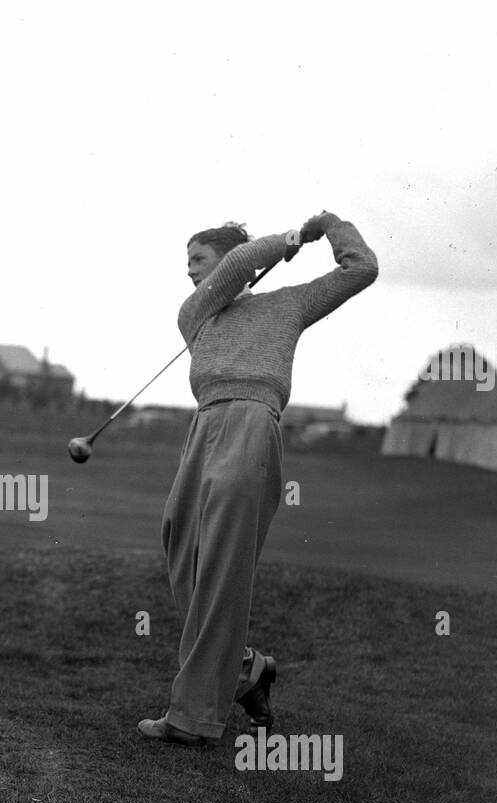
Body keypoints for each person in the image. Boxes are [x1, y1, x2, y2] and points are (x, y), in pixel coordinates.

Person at [138, 211, 379, 748]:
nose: (190, 272)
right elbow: (239, 269)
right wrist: (289, 240)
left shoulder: (288, 304)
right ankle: (247, 668)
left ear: (222, 258)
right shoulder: (197, 313)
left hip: (252, 423)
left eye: (198, 260)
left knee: (223, 568)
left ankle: (192, 718)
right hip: (203, 428)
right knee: (183, 551)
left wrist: (330, 227)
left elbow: (362, 269)